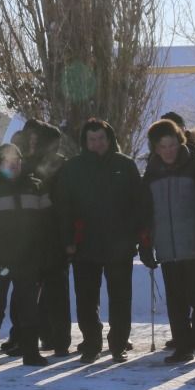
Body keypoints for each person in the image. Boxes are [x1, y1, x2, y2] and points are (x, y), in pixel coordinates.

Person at [57, 118, 147, 363]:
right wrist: (68, 240)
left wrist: (136, 236)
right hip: (85, 244)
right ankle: (91, 343)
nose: (97, 144)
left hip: (119, 244)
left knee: (120, 297)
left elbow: (138, 204)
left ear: (110, 140)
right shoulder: (73, 168)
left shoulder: (125, 165)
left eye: (101, 139)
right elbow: (64, 207)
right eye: (92, 139)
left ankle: (118, 344)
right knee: (86, 299)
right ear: (85, 142)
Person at [0, 143, 53, 368]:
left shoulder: (36, 186)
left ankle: (31, 353)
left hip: (29, 259)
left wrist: (44, 254)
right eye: (6, 163)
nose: (12, 166)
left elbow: (48, 224)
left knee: (29, 308)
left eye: (16, 162)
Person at [143, 118, 195, 363]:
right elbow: (145, 213)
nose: (168, 151)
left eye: (172, 144)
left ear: (179, 142)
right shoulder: (150, 175)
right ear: (155, 148)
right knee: (176, 301)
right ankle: (183, 346)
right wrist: (145, 244)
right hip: (167, 248)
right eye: (162, 146)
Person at [18, 120, 72, 356]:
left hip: (51, 236)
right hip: (35, 236)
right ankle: (47, 338)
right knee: (39, 293)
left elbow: (65, 203)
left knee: (53, 292)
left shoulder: (58, 166)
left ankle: (56, 339)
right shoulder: (27, 165)